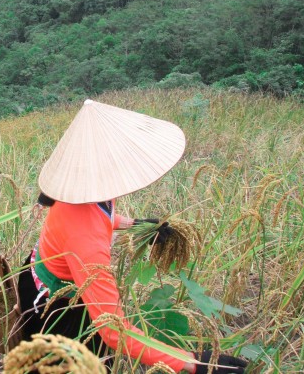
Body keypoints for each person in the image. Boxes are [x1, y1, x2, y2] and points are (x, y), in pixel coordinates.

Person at [17, 99, 248, 374]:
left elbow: (99, 217)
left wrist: (138, 225)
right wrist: (194, 363)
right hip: (52, 305)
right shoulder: (87, 245)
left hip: (50, 273)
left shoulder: (83, 188)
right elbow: (113, 331)